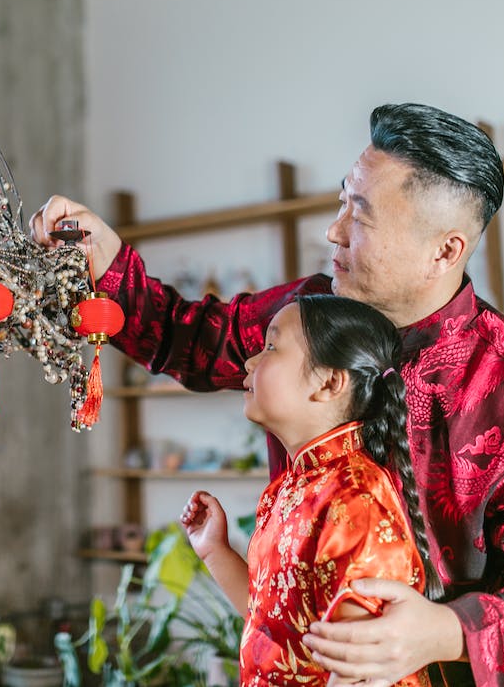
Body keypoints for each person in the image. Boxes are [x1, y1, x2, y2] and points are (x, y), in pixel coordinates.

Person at [30, 103, 504, 686]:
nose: (331, 231)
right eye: (342, 201)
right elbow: (192, 340)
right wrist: (105, 259)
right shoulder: (313, 314)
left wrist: (440, 633)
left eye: (359, 216)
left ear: (444, 250)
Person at [181, 294, 441, 686]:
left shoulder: (356, 498)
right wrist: (215, 551)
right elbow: (271, 623)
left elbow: (359, 670)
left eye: (271, 346)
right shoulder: (288, 488)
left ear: (330, 382)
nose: (250, 362)